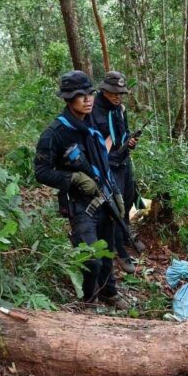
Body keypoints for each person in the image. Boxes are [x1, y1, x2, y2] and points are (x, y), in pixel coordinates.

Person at [34, 70, 128, 309]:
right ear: (67, 98)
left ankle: (110, 293)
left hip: (104, 198)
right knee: (91, 258)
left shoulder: (93, 126)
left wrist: (115, 192)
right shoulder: (55, 133)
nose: (88, 99)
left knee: (106, 253)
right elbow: (41, 172)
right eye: (80, 95)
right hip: (80, 206)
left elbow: (103, 164)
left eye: (90, 93)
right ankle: (88, 301)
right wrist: (73, 178)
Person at [91, 71, 145, 274]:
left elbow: (124, 133)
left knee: (129, 200)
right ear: (103, 90)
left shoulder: (120, 109)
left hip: (123, 162)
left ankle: (124, 236)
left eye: (120, 93)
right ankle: (120, 251)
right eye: (113, 93)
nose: (117, 96)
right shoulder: (93, 110)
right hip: (107, 165)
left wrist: (130, 142)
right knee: (116, 207)